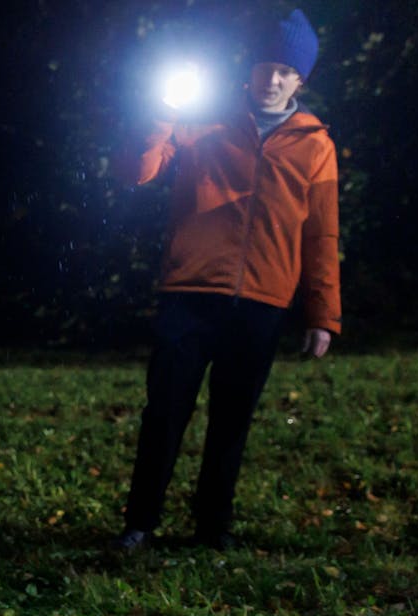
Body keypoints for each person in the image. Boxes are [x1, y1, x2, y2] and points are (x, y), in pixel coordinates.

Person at [112, 8, 341, 554]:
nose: (273, 78)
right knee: (165, 412)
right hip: (189, 295)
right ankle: (140, 524)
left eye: (286, 70)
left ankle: (213, 529)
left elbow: (322, 237)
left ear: (300, 79)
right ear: (251, 68)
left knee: (231, 421)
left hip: (262, 304)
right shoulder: (201, 120)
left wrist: (323, 315)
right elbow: (135, 172)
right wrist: (161, 114)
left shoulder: (316, 145)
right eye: (266, 65)